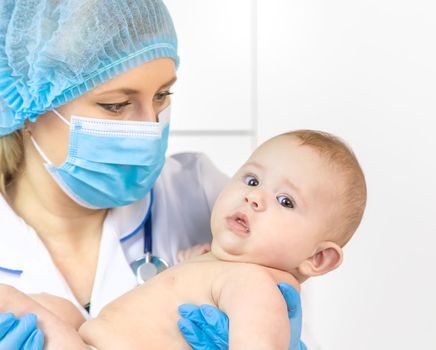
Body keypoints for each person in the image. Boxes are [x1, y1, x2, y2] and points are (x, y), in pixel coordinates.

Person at [0, 1, 304, 349]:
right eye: (115, 104)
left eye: (162, 96)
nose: (150, 126)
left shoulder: (210, 199)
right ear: (26, 107)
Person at [0, 130, 367, 349]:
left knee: (8, 299)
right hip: (89, 336)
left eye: (285, 201)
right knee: (52, 307)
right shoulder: (221, 267)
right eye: (252, 180)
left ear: (317, 260)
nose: (255, 197)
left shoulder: (256, 286)